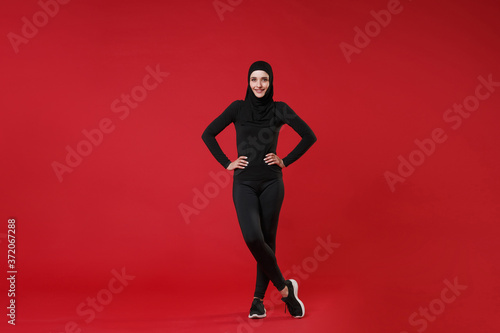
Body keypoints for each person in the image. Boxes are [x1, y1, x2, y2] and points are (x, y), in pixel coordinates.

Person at [201, 61, 316, 319]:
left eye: (264, 80)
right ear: (248, 82)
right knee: (253, 238)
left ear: (271, 82)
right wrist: (227, 163)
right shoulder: (238, 108)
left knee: (267, 239)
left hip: (272, 183)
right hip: (244, 183)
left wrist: (284, 160)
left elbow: (309, 136)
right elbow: (208, 134)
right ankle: (286, 290)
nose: (259, 85)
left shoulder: (279, 109)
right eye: (254, 79)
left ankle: (257, 301)